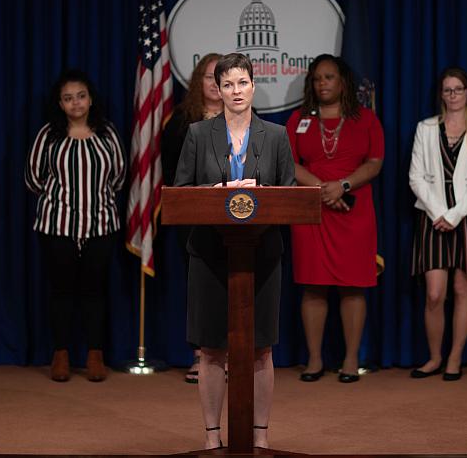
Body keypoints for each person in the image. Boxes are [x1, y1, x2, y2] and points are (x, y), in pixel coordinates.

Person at [174, 53, 295, 450]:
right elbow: (180, 195)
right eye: (227, 84)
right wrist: (212, 195)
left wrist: (262, 197)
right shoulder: (197, 134)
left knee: (261, 349)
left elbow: (291, 196)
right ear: (218, 90)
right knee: (210, 348)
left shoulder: (276, 136)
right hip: (210, 253)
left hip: (261, 253)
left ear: (254, 86)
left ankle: (259, 437)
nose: (235, 91)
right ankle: (212, 437)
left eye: (242, 83)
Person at [285, 55, 384, 383]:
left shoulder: (366, 119)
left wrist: (342, 186)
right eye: (316, 78)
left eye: (328, 77)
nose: (322, 83)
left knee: (353, 287)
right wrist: (322, 189)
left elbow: (374, 163)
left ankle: (351, 359)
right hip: (311, 210)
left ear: (343, 82)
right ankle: (314, 360)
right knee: (313, 286)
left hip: (354, 209)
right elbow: (289, 163)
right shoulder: (298, 119)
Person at [24, 70, 126, 382]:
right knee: (62, 291)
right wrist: (64, 202)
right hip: (57, 226)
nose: (76, 103)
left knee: (95, 291)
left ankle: (95, 355)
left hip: (101, 225)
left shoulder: (107, 133)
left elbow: (119, 176)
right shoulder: (48, 135)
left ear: (91, 98)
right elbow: (33, 178)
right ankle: (61, 355)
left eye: (80, 96)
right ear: (60, 103)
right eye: (68, 98)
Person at [408, 67, 467, 381]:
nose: (453, 95)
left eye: (458, 89)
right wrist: (439, 213)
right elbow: (415, 177)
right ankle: (434, 358)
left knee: (463, 289)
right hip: (433, 217)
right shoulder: (426, 128)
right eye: (447, 90)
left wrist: (456, 214)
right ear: (441, 94)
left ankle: (454, 359)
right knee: (434, 293)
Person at [162, 53, 223, 384]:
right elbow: (172, 175)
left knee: (233, 284)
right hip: (194, 218)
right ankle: (201, 354)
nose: (215, 84)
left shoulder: (246, 117)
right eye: (209, 76)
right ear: (198, 81)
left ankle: (229, 353)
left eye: (221, 77)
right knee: (200, 287)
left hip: (237, 216)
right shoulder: (181, 121)